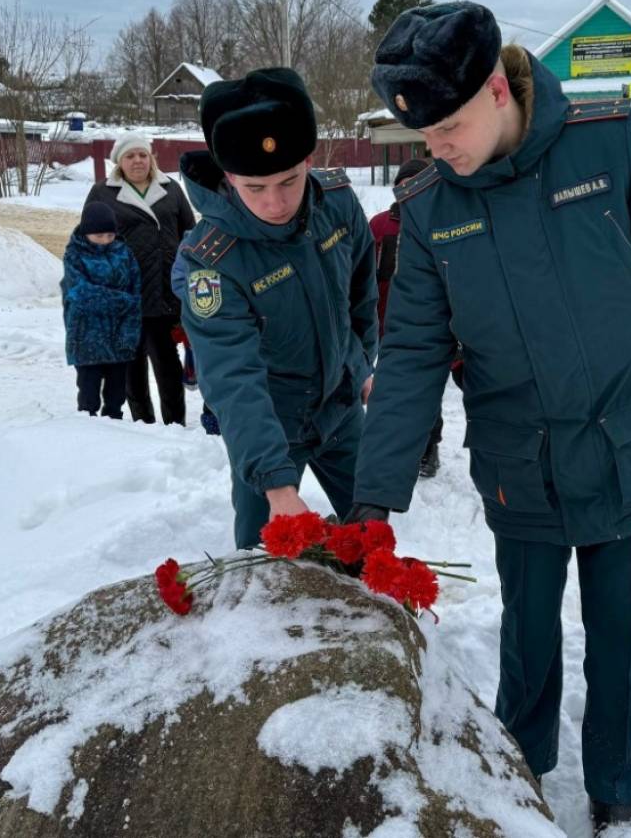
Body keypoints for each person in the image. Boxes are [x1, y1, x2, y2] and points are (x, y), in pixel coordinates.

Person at [346, 2, 631, 833]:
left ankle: (618, 791)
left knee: (625, 641)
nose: (437, 148)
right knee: (526, 640)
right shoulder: (428, 210)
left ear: (499, 89)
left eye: (450, 126)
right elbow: (414, 353)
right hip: (520, 467)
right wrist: (374, 498)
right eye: (422, 136)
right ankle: (515, 775)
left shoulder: (613, 143)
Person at [171, 67, 378, 549]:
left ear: (308, 160)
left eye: (289, 181)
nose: (276, 203)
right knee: (262, 559)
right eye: (254, 188)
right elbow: (231, 378)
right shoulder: (211, 262)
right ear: (228, 177)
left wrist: (360, 362)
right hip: (269, 423)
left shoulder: (338, 204)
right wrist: (276, 484)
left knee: (370, 541)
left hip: (341, 408)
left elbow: (361, 293)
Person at [85, 135, 196, 425]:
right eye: (130, 156)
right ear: (119, 162)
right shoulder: (102, 193)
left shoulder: (171, 189)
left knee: (168, 367)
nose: (137, 161)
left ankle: (175, 427)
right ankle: (142, 426)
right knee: (131, 370)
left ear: (151, 158)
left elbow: (190, 234)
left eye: (142, 155)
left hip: (165, 292)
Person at [369, 156, 461, 478]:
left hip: (429, 327)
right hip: (385, 322)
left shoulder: (443, 224)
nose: (409, 192)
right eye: (402, 187)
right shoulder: (380, 226)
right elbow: (364, 274)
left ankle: (428, 446)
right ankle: (397, 449)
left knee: (425, 388)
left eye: (416, 184)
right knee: (391, 391)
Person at [61, 202, 141, 418]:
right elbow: (81, 294)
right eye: (99, 236)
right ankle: (89, 438)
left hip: (119, 338)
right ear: (87, 233)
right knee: (88, 397)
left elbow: (136, 296)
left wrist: (130, 332)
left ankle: (113, 435)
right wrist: (122, 300)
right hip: (86, 338)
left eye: (109, 235)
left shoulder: (124, 253)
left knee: (116, 398)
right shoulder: (74, 256)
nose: (105, 241)